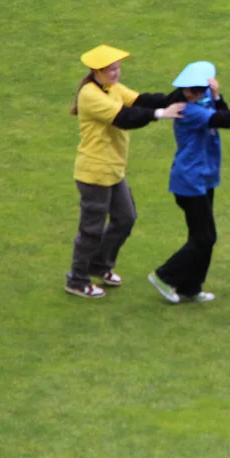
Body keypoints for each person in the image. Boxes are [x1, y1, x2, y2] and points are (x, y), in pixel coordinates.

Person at [147, 62, 230, 304]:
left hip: (205, 176)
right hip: (189, 181)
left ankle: (191, 287)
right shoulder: (188, 110)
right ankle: (163, 276)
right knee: (205, 237)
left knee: (201, 237)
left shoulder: (205, 97)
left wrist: (217, 95)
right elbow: (223, 119)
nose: (195, 94)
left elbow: (224, 115)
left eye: (199, 90)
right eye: (191, 90)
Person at [64, 44, 185, 299]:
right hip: (95, 173)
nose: (117, 73)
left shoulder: (112, 88)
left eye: (118, 68)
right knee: (91, 229)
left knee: (125, 218)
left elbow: (144, 100)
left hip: (114, 171)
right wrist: (163, 114)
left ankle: (100, 265)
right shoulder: (90, 95)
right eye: (112, 69)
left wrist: (183, 93)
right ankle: (77, 279)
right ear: (97, 71)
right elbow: (126, 117)